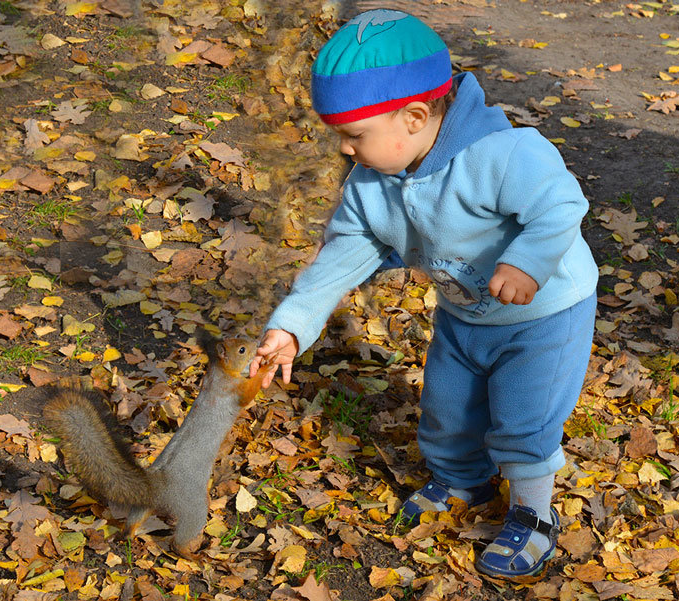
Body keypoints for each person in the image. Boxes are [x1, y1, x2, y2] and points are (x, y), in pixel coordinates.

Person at [250, 8, 598, 581]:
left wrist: (527, 263)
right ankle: (461, 478)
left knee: (524, 417)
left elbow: (561, 205)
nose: (343, 150)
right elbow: (342, 256)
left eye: (353, 135)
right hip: (465, 314)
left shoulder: (502, 154)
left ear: (413, 117)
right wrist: (292, 323)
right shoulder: (371, 184)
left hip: (543, 314)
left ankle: (533, 514)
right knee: (449, 407)